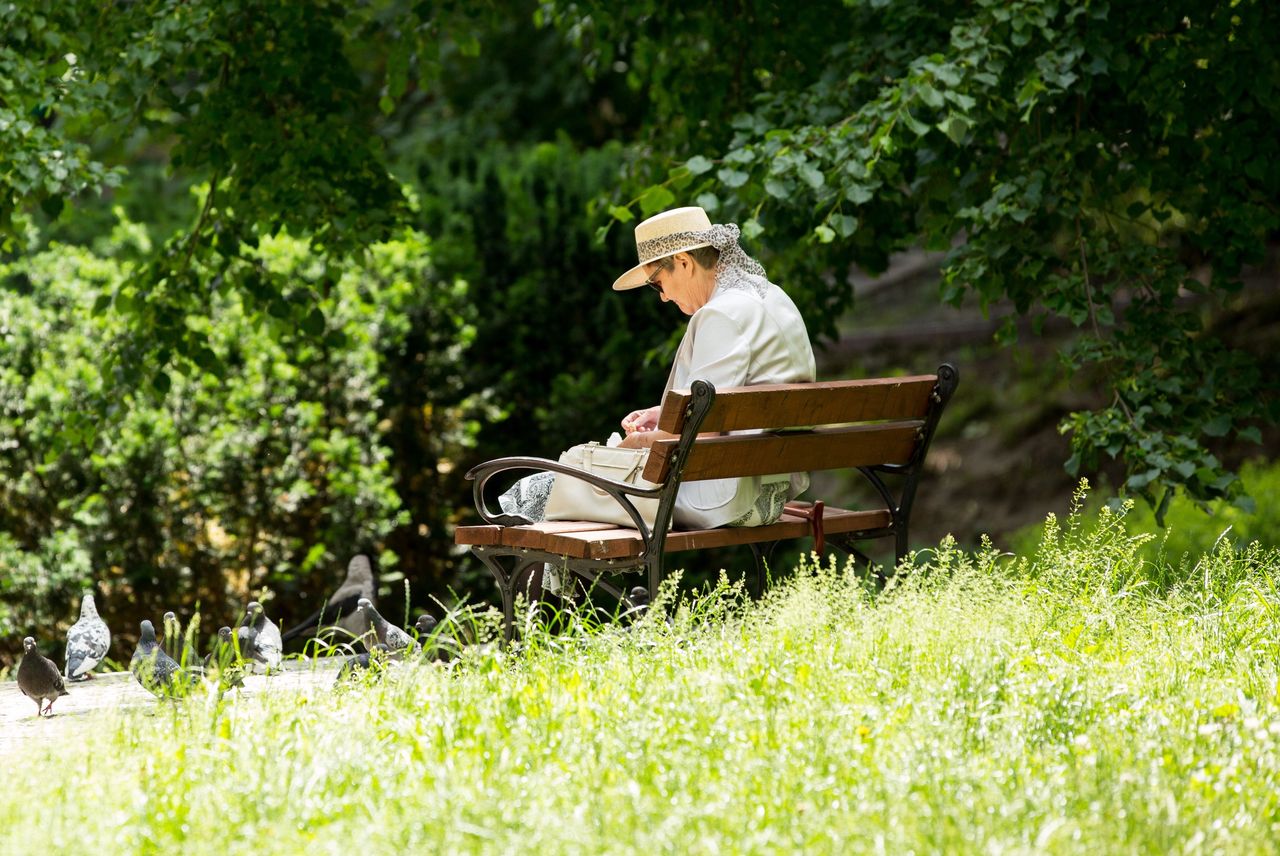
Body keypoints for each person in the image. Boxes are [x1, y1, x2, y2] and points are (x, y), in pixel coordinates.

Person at [498, 204, 816, 535]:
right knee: (567, 485)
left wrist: (639, 443)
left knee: (550, 488)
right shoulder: (772, 296)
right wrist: (665, 413)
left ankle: (536, 587)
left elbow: (700, 436)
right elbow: (727, 404)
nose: (662, 297)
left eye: (657, 282)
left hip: (724, 499)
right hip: (769, 488)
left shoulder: (721, 314)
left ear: (683, 262)